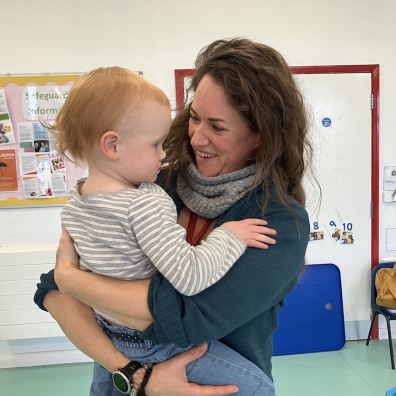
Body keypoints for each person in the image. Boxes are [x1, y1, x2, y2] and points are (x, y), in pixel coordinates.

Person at [34, 37, 311, 395]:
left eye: (218, 127)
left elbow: (182, 316)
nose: (196, 138)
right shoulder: (152, 184)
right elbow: (52, 292)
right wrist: (135, 375)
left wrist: (75, 283)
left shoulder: (278, 222)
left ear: (260, 136)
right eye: (194, 117)